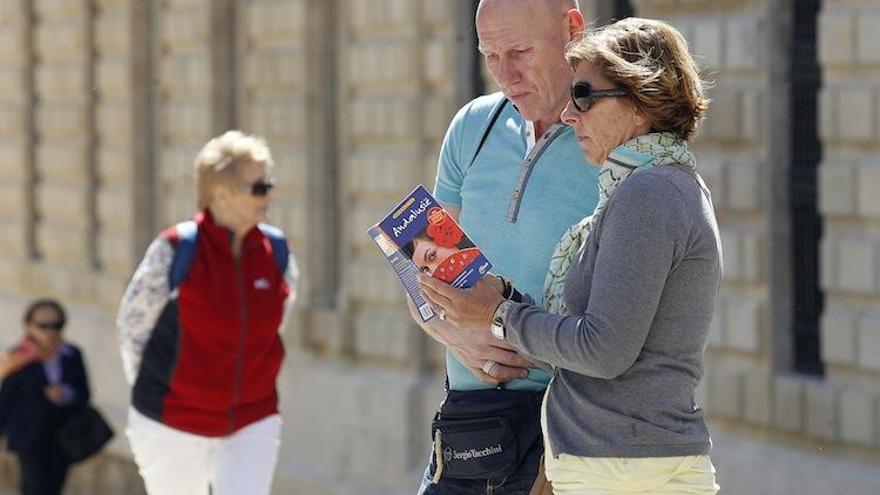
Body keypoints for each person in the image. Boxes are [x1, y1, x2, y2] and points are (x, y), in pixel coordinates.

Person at [419, 17, 721, 494]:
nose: (570, 114)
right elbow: (429, 270)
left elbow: (603, 350)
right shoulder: (636, 184)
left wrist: (498, 314)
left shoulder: (649, 192)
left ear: (641, 100)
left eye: (585, 97)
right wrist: (469, 320)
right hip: (541, 439)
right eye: (489, 55)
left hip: (617, 460)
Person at [410, 1, 601, 493]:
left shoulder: (614, 138)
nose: (504, 73)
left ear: (572, 29)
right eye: (490, 54)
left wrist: (561, 464)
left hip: (564, 429)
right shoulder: (473, 126)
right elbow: (424, 273)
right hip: (467, 426)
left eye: (520, 51)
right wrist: (455, 334)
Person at [117, 130, 299, 495]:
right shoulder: (175, 249)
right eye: (259, 187)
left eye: (270, 184)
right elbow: (133, 327)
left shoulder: (276, 251)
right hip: (171, 423)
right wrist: (167, 388)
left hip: (253, 419)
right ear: (220, 193)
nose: (269, 194)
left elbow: (277, 322)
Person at [0, 299, 90, 495]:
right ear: (29, 326)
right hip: (30, 437)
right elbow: (5, 401)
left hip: (62, 437)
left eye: (56, 326)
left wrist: (65, 394)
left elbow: (84, 393)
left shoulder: (71, 354)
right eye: (43, 326)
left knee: (53, 488)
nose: (50, 332)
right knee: (33, 487)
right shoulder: (17, 359)